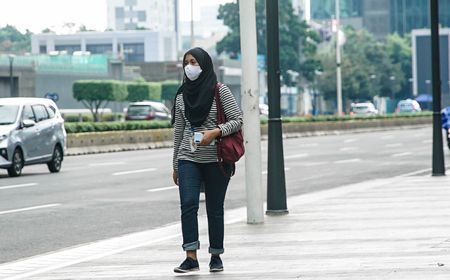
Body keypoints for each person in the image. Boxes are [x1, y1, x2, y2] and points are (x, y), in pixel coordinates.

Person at [171, 47, 243, 273]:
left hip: (216, 159)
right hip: (188, 158)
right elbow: (179, 131)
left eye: (194, 62)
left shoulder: (220, 91)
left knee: (214, 208)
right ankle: (190, 257)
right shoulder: (182, 96)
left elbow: (238, 120)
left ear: (204, 64)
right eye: (186, 62)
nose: (189, 66)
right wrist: (175, 164)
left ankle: (216, 255)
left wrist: (216, 132)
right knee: (188, 204)